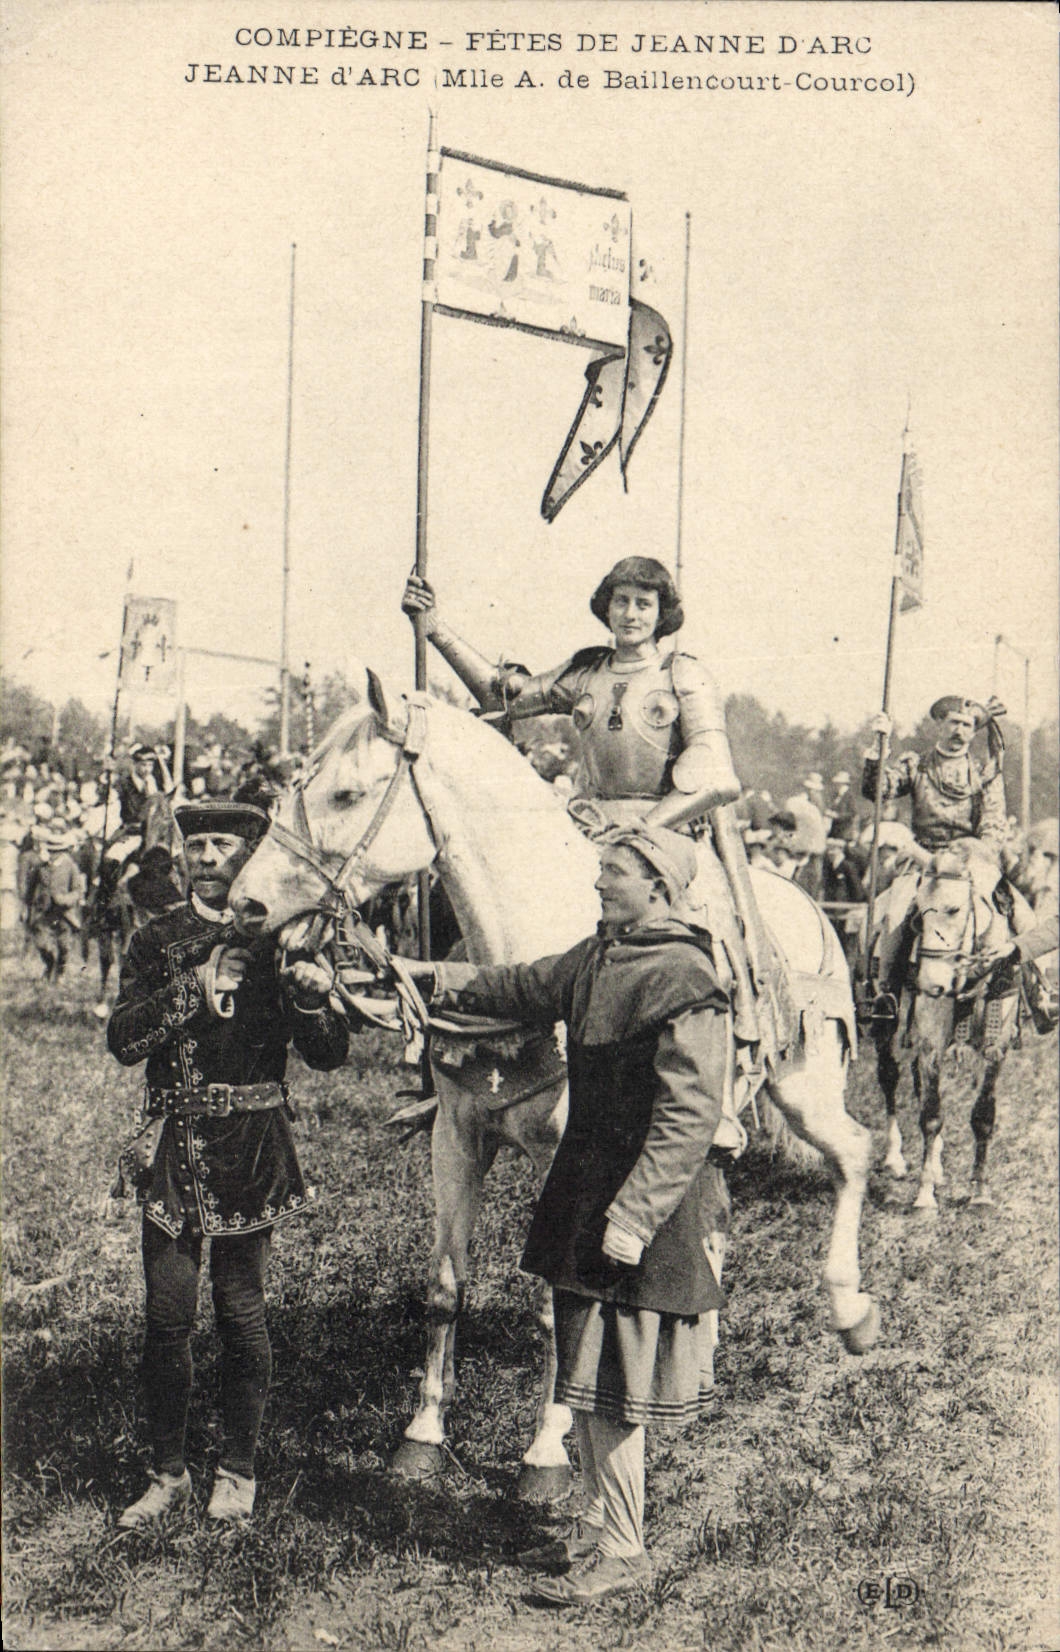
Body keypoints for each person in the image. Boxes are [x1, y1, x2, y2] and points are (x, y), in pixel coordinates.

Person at [395, 824, 730, 1604]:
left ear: (659, 886)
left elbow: (688, 1117)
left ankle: (623, 1546)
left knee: (612, 1385)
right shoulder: (597, 957)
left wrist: (637, 1216)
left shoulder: (687, 979)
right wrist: (431, 975)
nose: (598, 884)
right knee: (580, 1370)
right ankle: (590, 1517)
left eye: (613, 872)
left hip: (639, 1209)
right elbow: (519, 986)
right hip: (583, 1190)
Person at [402, 558, 784, 1056]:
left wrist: (640, 831)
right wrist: (435, 629)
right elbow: (505, 695)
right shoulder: (587, 672)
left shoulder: (683, 674)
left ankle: (715, 1067)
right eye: (621, 601)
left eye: (644, 604)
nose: (631, 614)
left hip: (666, 837)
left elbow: (714, 775)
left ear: (661, 613)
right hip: (585, 828)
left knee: (700, 938)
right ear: (606, 607)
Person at [106, 800, 349, 1528]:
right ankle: (167, 1473)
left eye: (224, 845)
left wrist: (311, 1001)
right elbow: (122, 1039)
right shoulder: (157, 938)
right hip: (173, 1148)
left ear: (249, 857)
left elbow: (330, 1054)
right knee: (165, 1318)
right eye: (197, 845)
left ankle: (238, 1470)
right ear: (180, 857)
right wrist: (193, 991)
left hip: (251, 1149)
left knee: (242, 1314)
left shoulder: (284, 936)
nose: (208, 858)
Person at [860, 694, 1032, 1014]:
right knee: (895, 912)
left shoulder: (984, 771)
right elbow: (878, 791)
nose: (960, 731)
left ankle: (1033, 995)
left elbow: (994, 825)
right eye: (953, 722)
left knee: (1019, 912)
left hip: (971, 860)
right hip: (924, 859)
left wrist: (975, 854)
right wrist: (878, 753)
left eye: (968, 725)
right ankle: (886, 993)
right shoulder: (917, 764)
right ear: (939, 725)